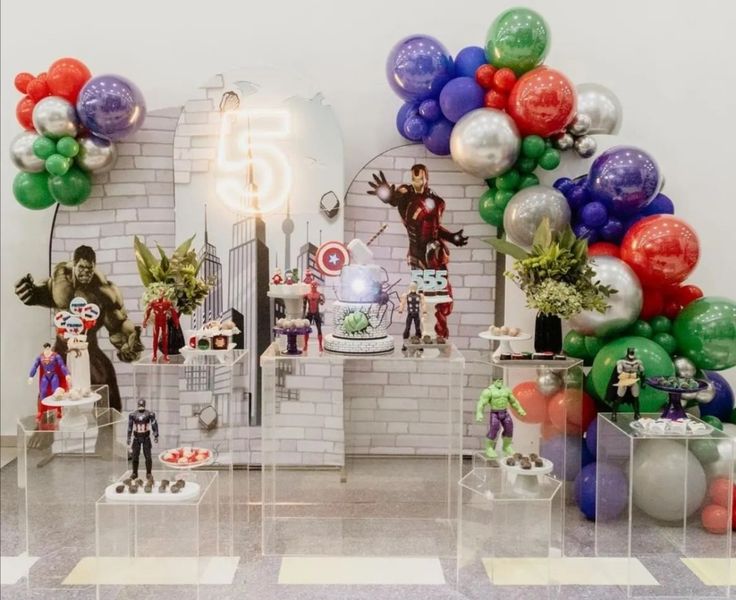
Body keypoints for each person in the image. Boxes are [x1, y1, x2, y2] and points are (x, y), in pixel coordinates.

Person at [15, 245, 143, 411]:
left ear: (94, 267)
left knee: (108, 389)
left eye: (89, 269)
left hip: (89, 348)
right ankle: (44, 435)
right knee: (48, 398)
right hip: (62, 347)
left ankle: (106, 437)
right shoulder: (60, 281)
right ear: (74, 265)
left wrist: (129, 345)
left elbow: (119, 326)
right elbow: (39, 292)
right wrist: (28, 292)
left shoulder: (103, 291)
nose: (85, 273)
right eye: (81, 268)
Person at [367, 164, 468, 338]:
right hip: (417, 254)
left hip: (435, 254)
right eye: (415, 178)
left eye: (421, 178)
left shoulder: (433, 198)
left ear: (427, 177)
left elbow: (434, 228)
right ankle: (422, 334)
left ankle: (439, 336)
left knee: (440, 298)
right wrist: (387, 194)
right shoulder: (406, 193)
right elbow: (394, 199)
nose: (419, 182)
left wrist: (452, 237)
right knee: (422, 297)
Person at [476, 379, 527, 459]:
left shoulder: (506, 390)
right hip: (495, 413)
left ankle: (506, 446)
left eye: (501, 380)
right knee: (494, 428)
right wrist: (479, 413)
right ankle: (489, 448)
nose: (499, 382)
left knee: (509, 428)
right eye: (497, 380)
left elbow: (513, 401)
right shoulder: (488, 391)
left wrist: (520, 409)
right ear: (493, 381)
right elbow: (481, 402)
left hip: (505, 412)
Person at [27, 343, 71, 420]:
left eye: (48, 348)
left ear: (50, 348)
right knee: (43, 392)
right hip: (45, 376)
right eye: (45, 348)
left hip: (54, 375)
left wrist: (66, 374)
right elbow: (35, 366)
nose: (47, 350)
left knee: (56, 392)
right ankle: (41, 411)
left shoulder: (56, 356)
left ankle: (58, 410)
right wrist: (31, 376)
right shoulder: (40, 356)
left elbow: (61, 365)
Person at [607, 347, 644, 421]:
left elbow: (642, 372)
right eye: (630, 353)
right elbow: (619, 371)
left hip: (633, 380)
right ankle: (614, 414)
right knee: (619, 397)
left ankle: (637, 413)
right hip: (624, 379)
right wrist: (623, 374)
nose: (631, 354)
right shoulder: (621, 361)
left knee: (636, 397)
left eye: (632, 352)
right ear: (627, 353)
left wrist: (642, 382)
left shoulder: (638, 361)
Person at [143, 290, 180, 363]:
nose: (160, 294)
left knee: (165, 339)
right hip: (156, 322)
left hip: (164, 322)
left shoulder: (167, 303)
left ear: (163, 294)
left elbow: (173, 313)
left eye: (162, 292)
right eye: (159, 292)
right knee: (155, 339)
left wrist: (176, 322)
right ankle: (155, 355)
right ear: (157, 293)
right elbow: (148, 311)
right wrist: (145, 321)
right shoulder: (153, 302)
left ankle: (165, 355)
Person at [127, 399, 159, 481]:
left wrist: (156, 435)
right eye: (140, 405)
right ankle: (134, 473)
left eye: (142, 405)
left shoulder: (149, 414)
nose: (141, 406)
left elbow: (154, 424)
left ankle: (149, 473)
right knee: (134, 456)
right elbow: (130, 426)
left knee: (148, 456)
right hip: (136, 437)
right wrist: (129, 437)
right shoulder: (133, 415)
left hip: (146, 438)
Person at [398, 281, 426, 349]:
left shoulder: (420, 295)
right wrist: (400, 312)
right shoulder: (406, 295)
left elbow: (423, 304)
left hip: (416, 314)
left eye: (414, 286)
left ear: (416, 287)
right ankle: (405, 343)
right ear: (410, 287)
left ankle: (419, 344)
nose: (413, 287)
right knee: (407, 328)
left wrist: (424, 312)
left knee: (418, 329)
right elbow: (402, 303)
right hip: (410, 314)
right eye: (412, 286)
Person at [303, 281, 325, 352]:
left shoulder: (319, 295)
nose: (313, 286)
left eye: (315, 285)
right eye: (312, 285)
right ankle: (305, 345)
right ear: (310, 285)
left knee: (319, 329)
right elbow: (304, 306)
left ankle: (320, 346)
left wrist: (322, 299)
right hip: (309, 313)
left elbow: (322, 303)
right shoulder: (307, 295)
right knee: (306, 330)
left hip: (316, 313)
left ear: (317, 286)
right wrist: (303, 315)